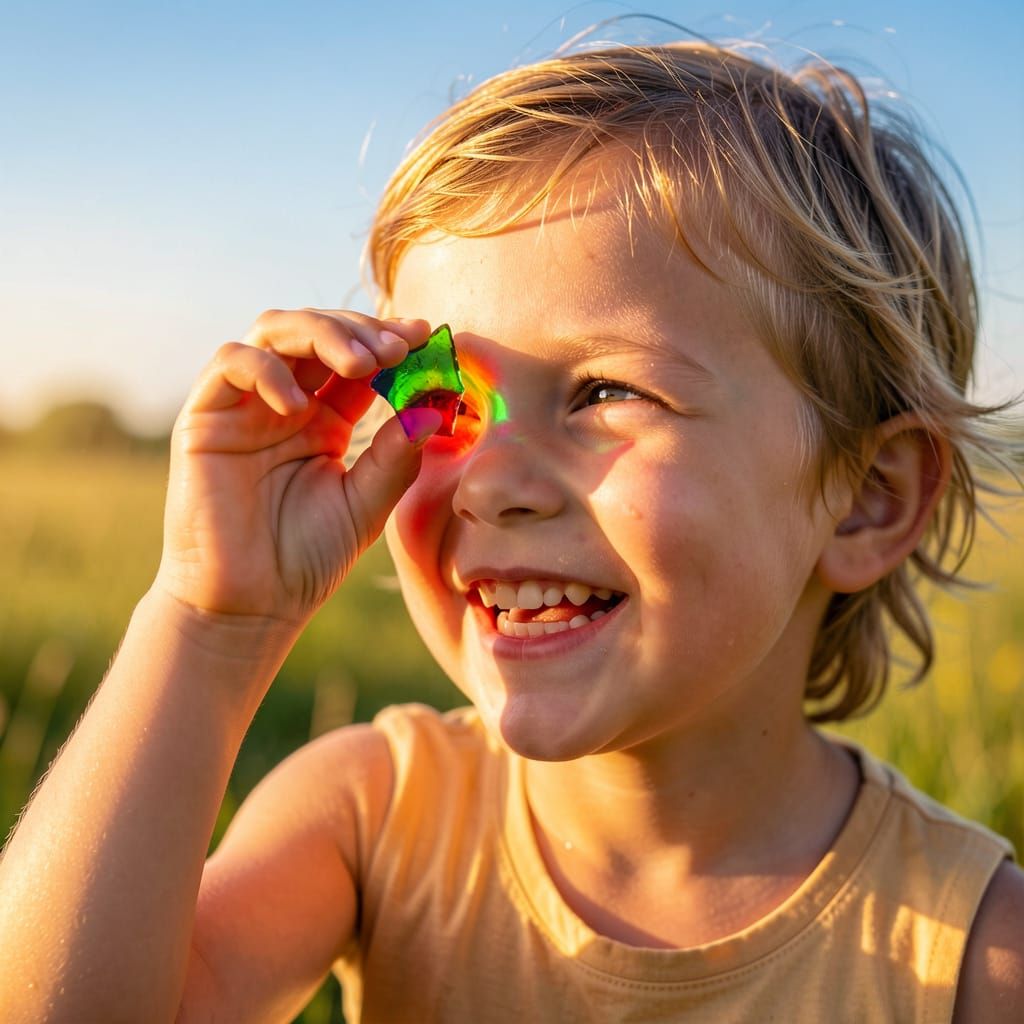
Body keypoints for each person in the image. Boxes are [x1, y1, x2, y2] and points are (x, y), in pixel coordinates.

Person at [1, 36, 1022, 1024]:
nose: (488, 480)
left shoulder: (977, 951)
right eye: (439, 400)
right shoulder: (374, 814)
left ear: (868, 496)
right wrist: (210, 621)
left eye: (603, 390)